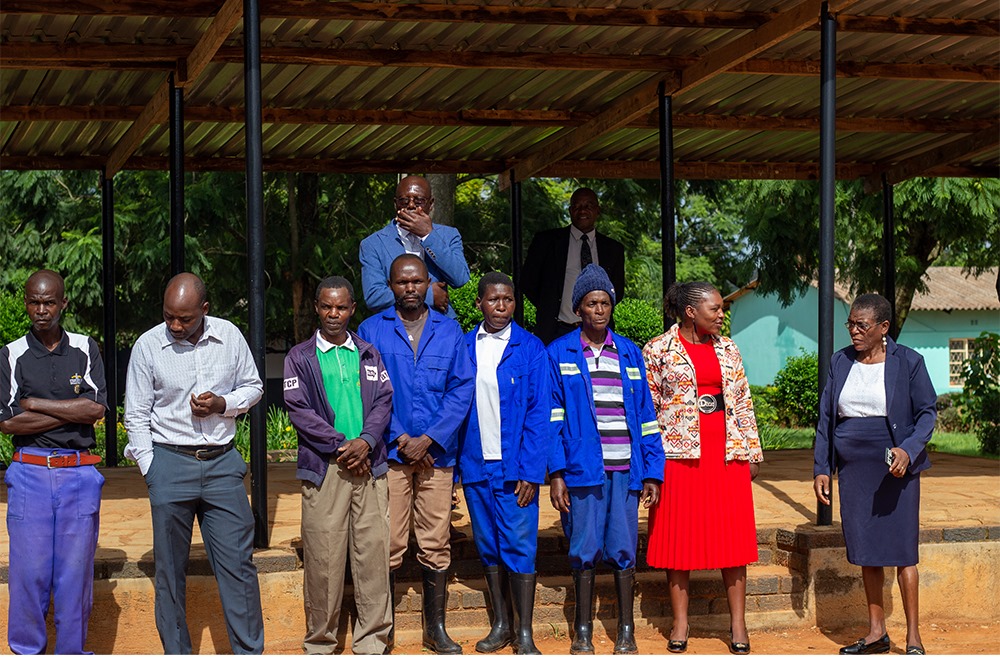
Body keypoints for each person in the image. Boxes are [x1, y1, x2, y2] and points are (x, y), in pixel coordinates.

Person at [124, 273, 265, 655]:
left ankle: (250, 656)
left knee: (238, 567)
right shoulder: (149, 345)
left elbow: (254, 385)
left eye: (184, 318)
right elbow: (135, 413)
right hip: (170, 463)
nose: (175, 325)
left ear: (205, 310)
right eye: (169, 316)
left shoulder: (229, 336)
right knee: (170, 574)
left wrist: (223, 404)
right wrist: (151, 469)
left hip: (222, 466)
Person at [358, 254, 475, 654]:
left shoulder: (450, 331)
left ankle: (435, 629)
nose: (410, 288)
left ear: (429, 284)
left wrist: (431, 438)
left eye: (417, 281)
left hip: (437, 457)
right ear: (390, 286)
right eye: (402, 282)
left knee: (435, 540)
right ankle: (382, 628)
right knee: (387, 541)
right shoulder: (372, 329)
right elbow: (367, 393)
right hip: (390, 454)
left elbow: (462, 389)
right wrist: (401, 438)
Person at [546, 264, 663, 655]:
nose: (600, 310)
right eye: (592, 303)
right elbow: (553, 416)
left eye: (605, 303)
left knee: (623, 544)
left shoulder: (629, 352)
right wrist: (557, 472)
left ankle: (625, 630)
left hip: (625, 469)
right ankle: (582, 631)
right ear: (579, 308)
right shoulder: (559, 352)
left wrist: (652, 471)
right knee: (584, 545)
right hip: (583, 470)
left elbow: (646, 417)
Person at [642, 281, 763, 655]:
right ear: (690, 311)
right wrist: (651, 462)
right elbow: (648, 408)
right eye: (715, 309)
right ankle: (681, 621)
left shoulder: (729, 348)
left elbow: (742, 399)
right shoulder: (658, 349)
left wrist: (752, 450)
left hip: (725, 451)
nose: (721, 313)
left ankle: (738, 622)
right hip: (678, 455)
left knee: (733, 537)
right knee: (679, 537)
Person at [813, 293, 936, 656]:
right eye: (850, 324)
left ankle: (913, 636)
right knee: (867, 552)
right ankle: (876, 633)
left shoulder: (909, 362)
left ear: (883, 327)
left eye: (861, 325)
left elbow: (927, 413)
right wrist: (822, 467)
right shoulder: (841, 361)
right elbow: (825, 419)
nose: (853, 331)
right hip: (854, 469)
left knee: (903, 551)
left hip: (894, 466)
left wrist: (908, 450)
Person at [283, 276, 394, 655]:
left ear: (352, 309)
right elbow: (299, 411)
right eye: (327, 307)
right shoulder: (299, 357)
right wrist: (342, 446)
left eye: (342, 307)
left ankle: (373, 641)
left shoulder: (368, 353)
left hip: (370, 467)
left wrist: (365, 443)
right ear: (316, 307)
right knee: (323, 559)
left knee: (373, 556)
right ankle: (321, 642)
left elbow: (383, 402)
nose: (334, 314)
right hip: (326, 469)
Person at [0, 270, 107, 655]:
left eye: (49, 302)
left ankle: (71, 655)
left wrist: (37, 404)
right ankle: (27, 653)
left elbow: (95, 408)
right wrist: (71, 411)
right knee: (28, 574)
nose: (41, 310)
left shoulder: (84, 347)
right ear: (26, 301)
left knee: (74, 575)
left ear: (64, 303)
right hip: (29, 472)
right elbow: (7, 422)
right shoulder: (11, 354)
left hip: (79, 472)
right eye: (34, 302)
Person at [456, 273, 549, 655]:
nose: (501, 306)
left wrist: (531, 471)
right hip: (477, 464)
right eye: (493, 299)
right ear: (479, 303)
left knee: (520, 545)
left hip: (514, 470)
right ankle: (501, 625)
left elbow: (539, 414)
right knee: (489, 546)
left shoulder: (531, 349)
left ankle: (524, 633)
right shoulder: (464, 347)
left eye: (508, 300)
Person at [521, 187, 626, 344]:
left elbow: (616, 290)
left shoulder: (613, 249)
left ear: (598, 210)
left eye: (588, 206)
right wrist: (548, 307)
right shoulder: (546, 242)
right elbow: (529, 283)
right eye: (577, 206)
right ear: (570, 211)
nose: (582, 211)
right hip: (555, 330)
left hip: (598, 333)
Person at [359, 175, 471, 318]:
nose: (411, 206)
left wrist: (428, 236)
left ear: (430, 204)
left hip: (439, 325)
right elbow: (374, 296)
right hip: (395, 326)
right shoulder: (373, 244)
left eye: (419, 201)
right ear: (395, 204)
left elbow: (460, 278)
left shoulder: (448, 235)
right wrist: (429, 295)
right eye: (404, 200)